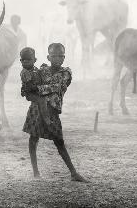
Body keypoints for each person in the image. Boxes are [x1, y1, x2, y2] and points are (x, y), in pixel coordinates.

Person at [21, 43, 88, 182]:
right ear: (48, 57)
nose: (57, 59)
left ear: (64, 57)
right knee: (33, 139)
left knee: (59, 142)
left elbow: (55, 87)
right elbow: (29, 86)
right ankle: (35, 172)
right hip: (36, 108)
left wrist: (34, 89)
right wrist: (28, 89)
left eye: (61, 56)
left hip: (52, 110)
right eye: (54, 56)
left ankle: (73, 173)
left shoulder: (66, 73)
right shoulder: (42, 70)